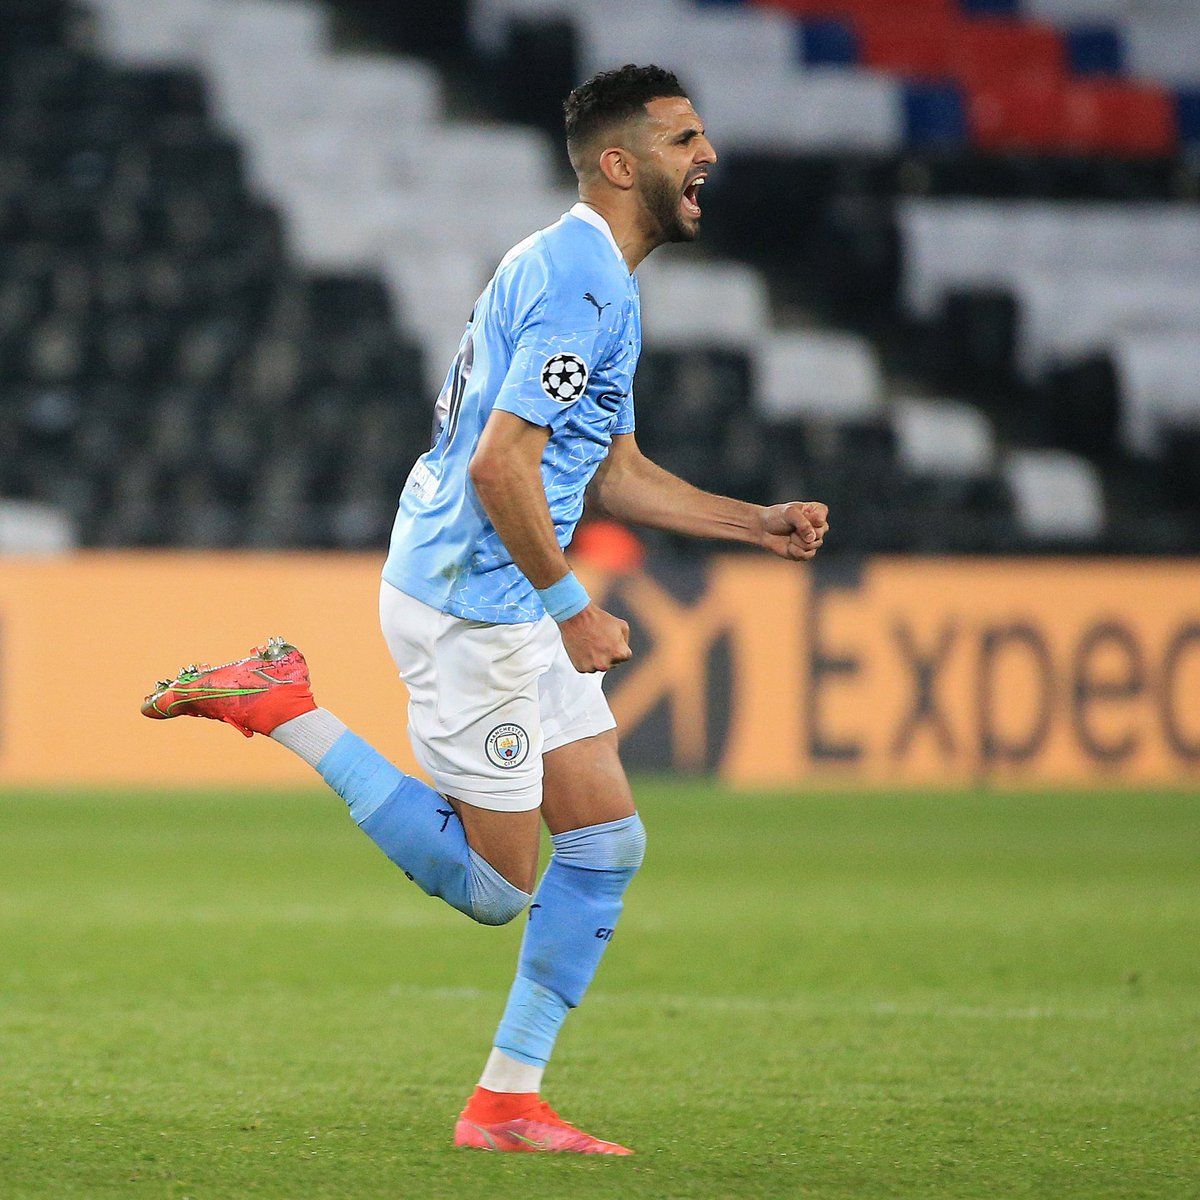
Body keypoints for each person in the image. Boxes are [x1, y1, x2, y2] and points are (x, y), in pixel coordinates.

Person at [142, 64, 829, 1155]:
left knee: (604, 843)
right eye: (682, 139)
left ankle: (507, 1102)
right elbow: (501, 468)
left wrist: (756, 523)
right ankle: (285, 708)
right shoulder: (580, 285)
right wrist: (571, 609)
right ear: (620, 165)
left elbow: (610, 472)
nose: (707, 155)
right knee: (493, 887)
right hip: (476, 603)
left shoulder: (589, 276)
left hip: (493, 585)